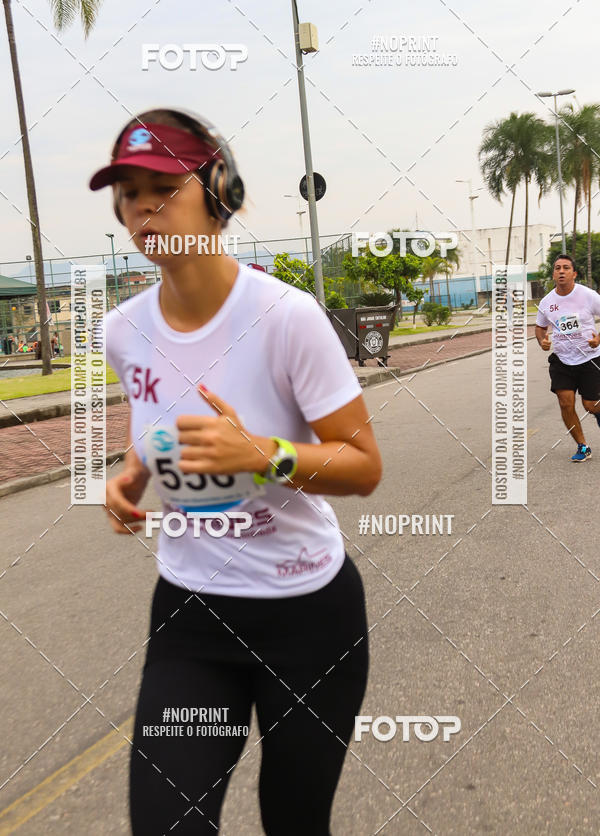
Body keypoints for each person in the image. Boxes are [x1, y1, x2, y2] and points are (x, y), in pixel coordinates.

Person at [93, 108, 382, 835]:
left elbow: (364, 465)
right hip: (192, 616)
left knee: (293, 820)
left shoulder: (287, 317)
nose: (140, 209)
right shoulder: (123, 330)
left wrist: (267, 455)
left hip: (308, 617)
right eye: (127, 193)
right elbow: (158, 421)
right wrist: (132, 475)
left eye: (160, 187)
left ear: (218, 189)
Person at [536, 253, 600, 461]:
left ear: (574, 273)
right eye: (557, 268)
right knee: (566, 403)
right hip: (562, 359)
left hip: (590, 357)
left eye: (565, 268)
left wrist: (598, 338)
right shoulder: (547, 302)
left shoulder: (588, 295)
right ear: (553, 274)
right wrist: (542, 342)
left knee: (590, 405)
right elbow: (539, 327)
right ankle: (582, 446)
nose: (561, 271)